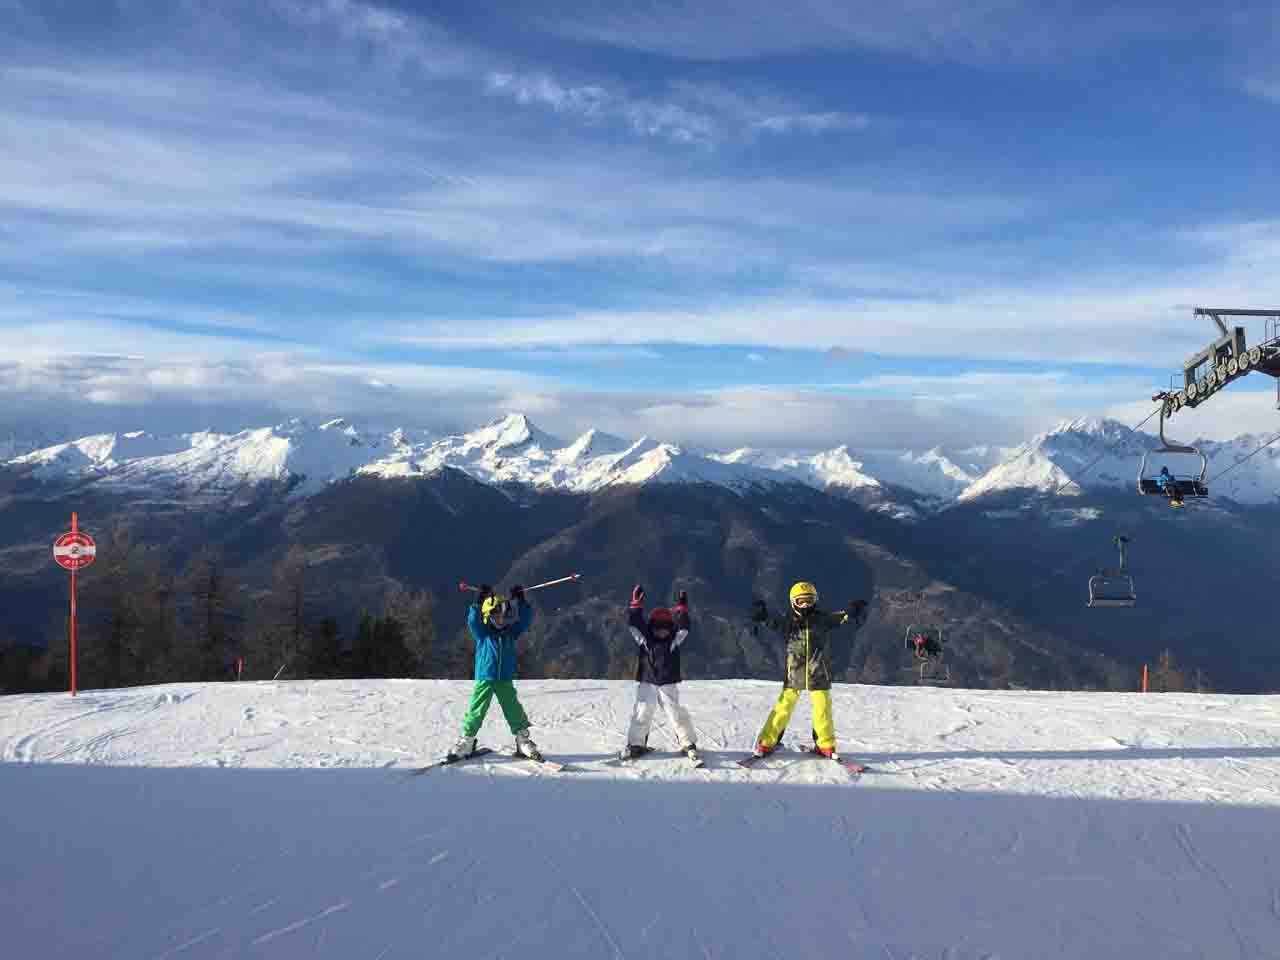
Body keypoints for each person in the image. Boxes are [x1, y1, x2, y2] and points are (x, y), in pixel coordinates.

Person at [750, 581, 868, 758]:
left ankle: (825, 744)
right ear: (793, 602)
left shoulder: (822, 619)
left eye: (809, 601)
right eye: (801, 601)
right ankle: (766, 742)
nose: (805, 605)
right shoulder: (788, 621)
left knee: (822, 707)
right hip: (795, 673)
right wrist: (762, 616)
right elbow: (773, 622)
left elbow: (840, 618)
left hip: (818, 672)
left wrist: (850, 613)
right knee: (784, 707)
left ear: (815, 601)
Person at [447, 583, 542, 761]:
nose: (500, 620)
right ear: (487, 616)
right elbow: (472, 621)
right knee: (477, 710)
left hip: (504, 679)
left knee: (513, 709)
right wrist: (478, 602)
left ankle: (523, 740)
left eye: (503, 617)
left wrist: (521, 601)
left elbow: (525, 621)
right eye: (495, 617)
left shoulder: (510, 633)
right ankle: (467, 741)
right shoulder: (482, 633)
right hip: (485, 678)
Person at [622, 585, 699, 763]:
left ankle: (688, 742)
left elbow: (684, 628)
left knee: (675, 713)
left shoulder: (674, 640)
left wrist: (682, 609)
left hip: (667, 683)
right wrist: (635, 606)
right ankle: (636, 744)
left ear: (671, 626)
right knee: (642, 712)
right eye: (658, 626)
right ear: (651, 626)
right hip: (647, 682)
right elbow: (634, 625)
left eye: (665, 626)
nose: (662, 630)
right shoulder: (645, 639)